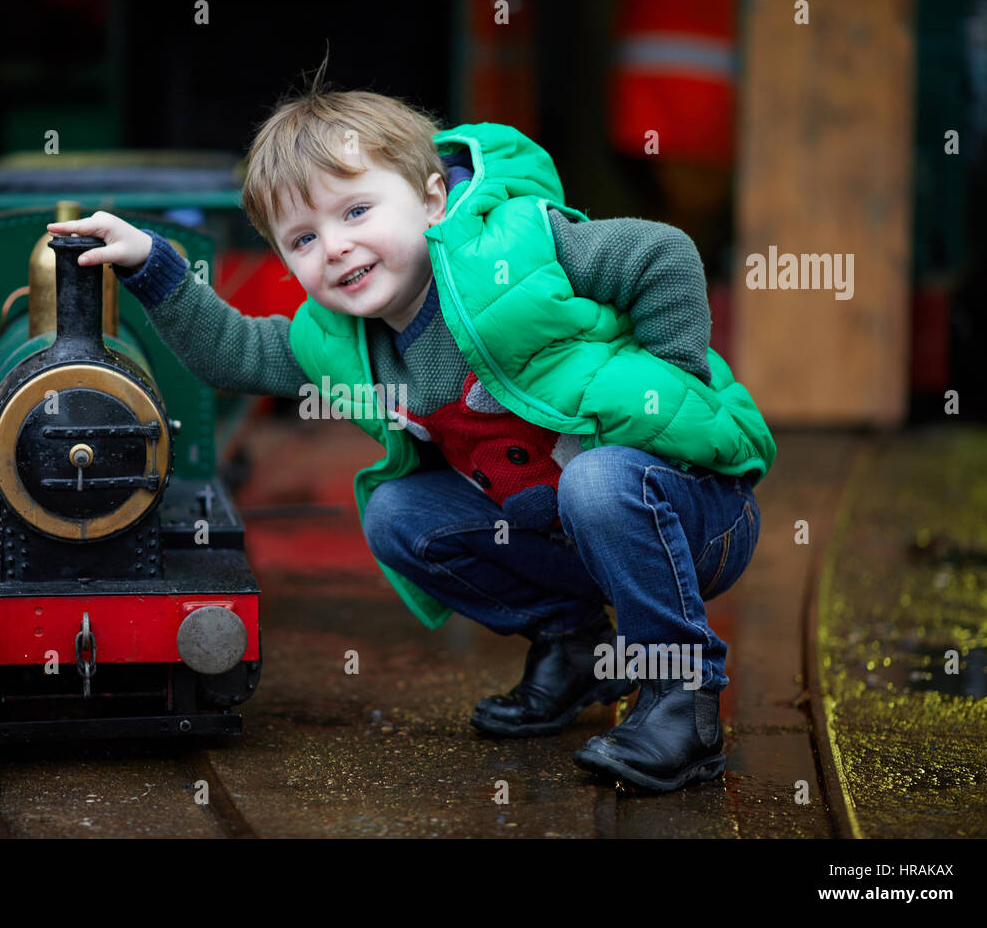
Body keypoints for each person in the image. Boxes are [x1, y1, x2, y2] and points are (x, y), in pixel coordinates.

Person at [47, 74, 775, 793]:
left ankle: (681, 702)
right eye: (303, 238)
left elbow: (663, 254)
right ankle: (575, 645)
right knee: (399, 513)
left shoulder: (518, 250)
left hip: (692, 513)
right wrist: (150, 265)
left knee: (599, 480)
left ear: (433, 199)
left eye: (358, 210)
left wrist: (671, 388)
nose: (335, 246)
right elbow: (230, 352)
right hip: (571, 535)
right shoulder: (341, 342)